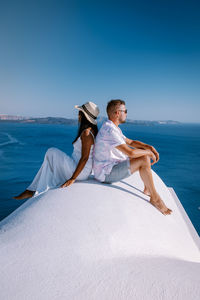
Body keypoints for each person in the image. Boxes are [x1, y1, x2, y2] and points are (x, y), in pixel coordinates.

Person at [93, 99, 172, 215]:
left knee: (143, 153)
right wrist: (148, 153)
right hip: (106, 174)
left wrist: (149, 147)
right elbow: (130, 153)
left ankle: (147, 188)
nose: (126, 113)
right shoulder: (109, 130)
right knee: (144, 158)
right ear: (117, 113)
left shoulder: (113, 127)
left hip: (111, 167)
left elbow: (130, 142)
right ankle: (155, 198)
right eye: (125, 111)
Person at [14, 101, 99, 200]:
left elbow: (85, 158)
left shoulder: (86, 133)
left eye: (80, 112)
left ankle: (33, 190)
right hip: (81, 169)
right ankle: (33, 189)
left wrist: (73, 178)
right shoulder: (91, 131)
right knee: (51, 157)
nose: (78, 114)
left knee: (51, 152)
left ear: (83, 115)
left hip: (80, 171)